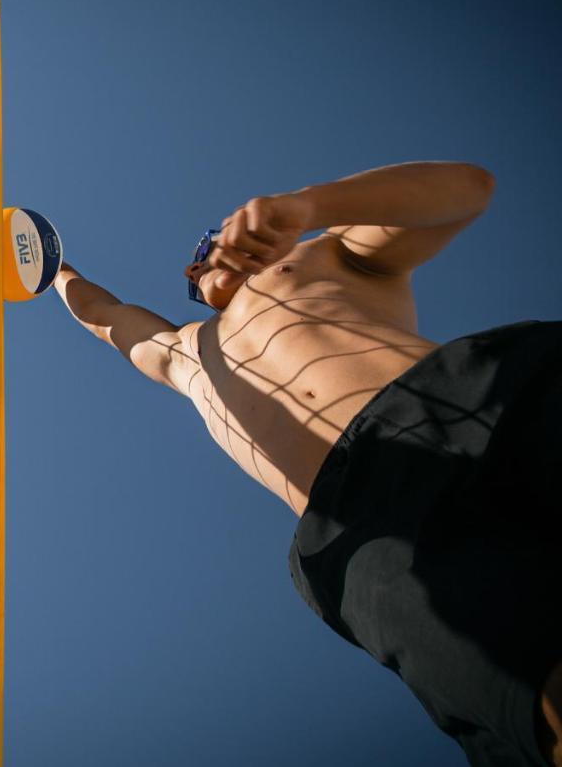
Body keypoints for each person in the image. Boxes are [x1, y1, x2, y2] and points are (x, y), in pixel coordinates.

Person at [53, 162, 561, 766]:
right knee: (536, 694)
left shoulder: (322, 256)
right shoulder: (186, 354)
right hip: (363, 522)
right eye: (209, 249)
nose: (228, 246)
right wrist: (48, 269)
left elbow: (467, 193)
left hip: (470, 398)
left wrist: (309, 207)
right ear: (196, 271)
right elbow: (106, 316)